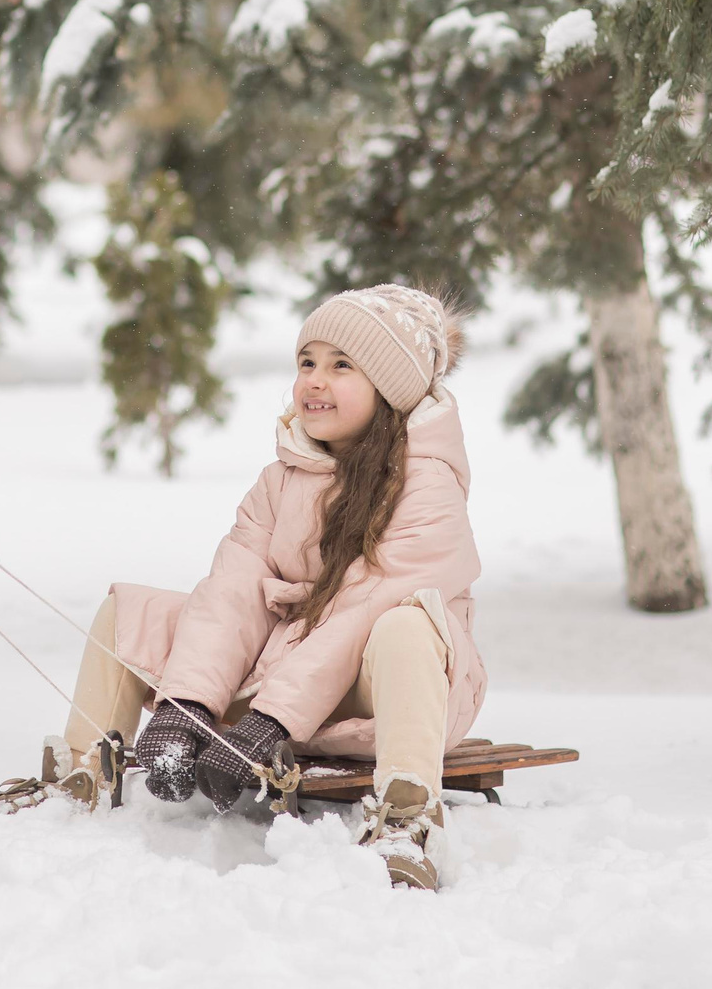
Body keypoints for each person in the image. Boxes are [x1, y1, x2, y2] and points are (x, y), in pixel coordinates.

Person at [47, 284, 484, 890]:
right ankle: (79, 779)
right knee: (129, 614)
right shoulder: (281, 479)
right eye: (307, 362)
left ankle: (407, 817)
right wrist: (187, 704)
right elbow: (234, 593)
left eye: (341, 366)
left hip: (388, 694)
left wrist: (272, 720)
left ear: (390, 389)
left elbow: (363, 612)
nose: (314, 382)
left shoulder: (428, 485)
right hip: (286, 673)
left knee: (404, 623)